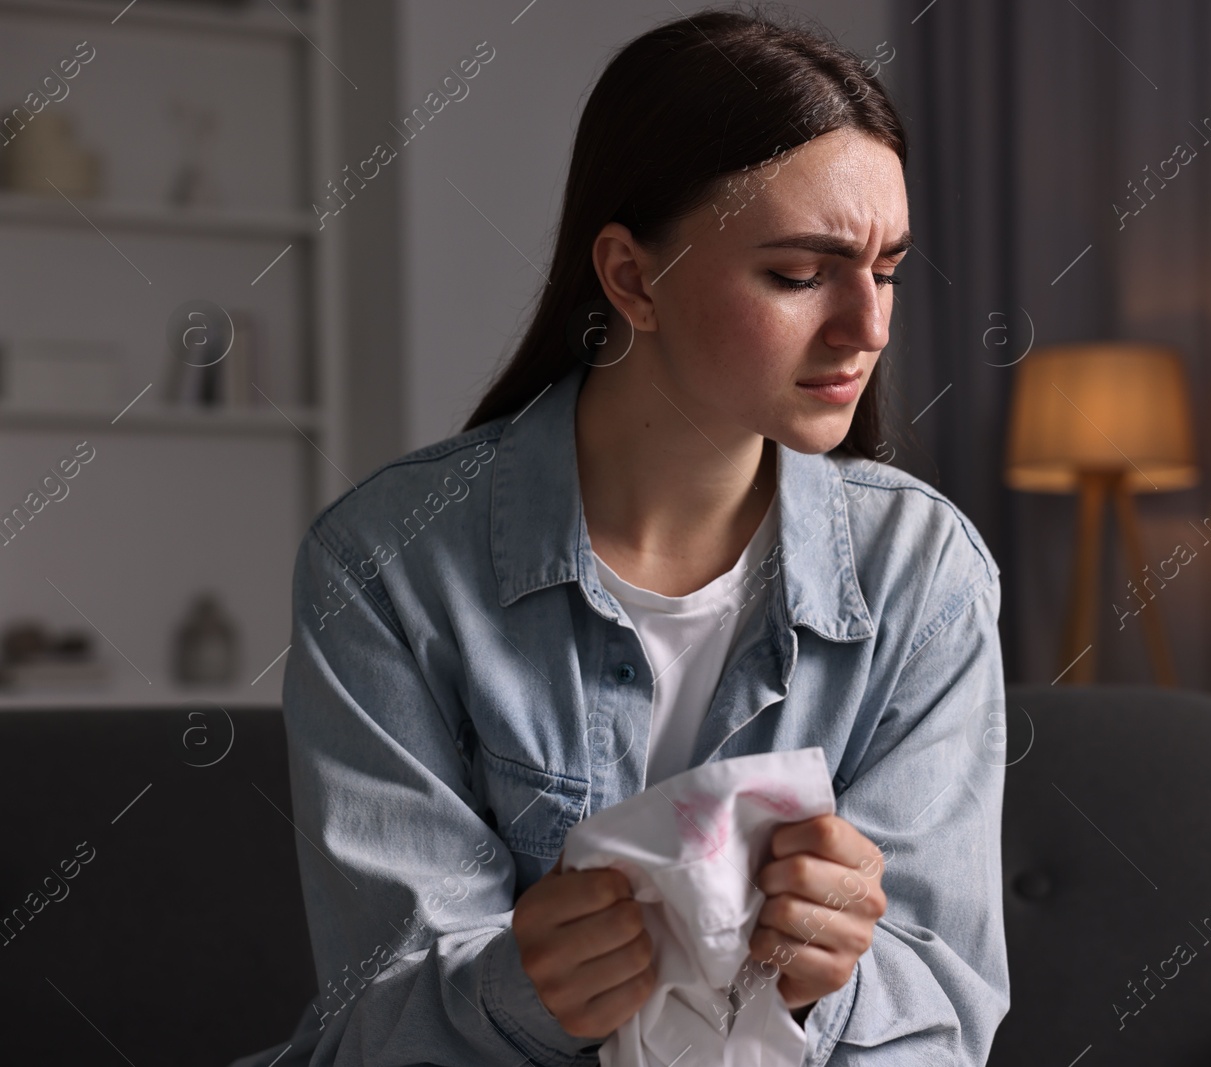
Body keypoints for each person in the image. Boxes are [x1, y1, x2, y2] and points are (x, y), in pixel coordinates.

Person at [231, 7, 1007, 1066]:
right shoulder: (386, 561)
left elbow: (945, 1014)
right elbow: (381, 1030)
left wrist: (837, 981)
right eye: (798, 272)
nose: (867, 327)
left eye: (886, 270)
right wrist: (524, 991)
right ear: (632, 277)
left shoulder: (926, 575)